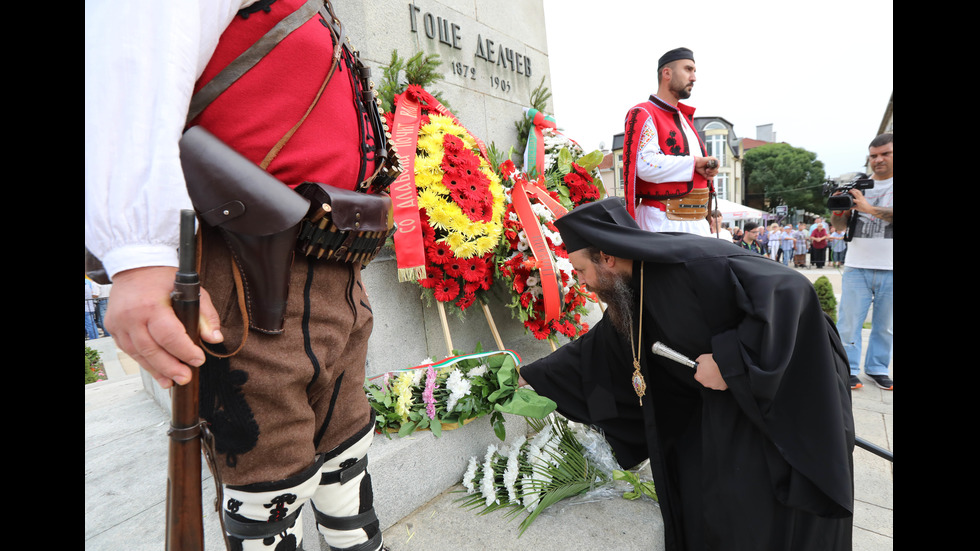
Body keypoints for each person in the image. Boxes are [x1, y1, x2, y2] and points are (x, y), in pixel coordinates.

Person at [85, 2, 394, 549]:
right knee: (269, 480)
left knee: (345, 454)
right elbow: (134, 59)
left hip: (335, 262)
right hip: (247, 270)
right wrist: (138, 252)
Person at [518, 197, 854, 550]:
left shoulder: (695, 262)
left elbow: (791, 291)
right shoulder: (633, 289)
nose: (582, 282)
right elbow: (598, 348)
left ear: (607, 258)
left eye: (582, 270)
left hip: (781, 394)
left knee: (761, 512)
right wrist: (533, 376)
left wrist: (730, 361)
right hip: (725, 405)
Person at [621, 47, 719, 236]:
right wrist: (695, 163)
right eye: (688, 69)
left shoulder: (684, 119)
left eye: (694, 71)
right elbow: (645, 164)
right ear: (667, 73)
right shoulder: (644, 113)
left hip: (697, 223)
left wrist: (707, 168)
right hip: (663, 222)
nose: (694, 77)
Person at [830, 133, 893, 390]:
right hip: (857, 264)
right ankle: (849, 369)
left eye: (885, 154)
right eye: (873, 155)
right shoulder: (858, 185)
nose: (878, 160)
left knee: (886, 326)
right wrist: (838, 210)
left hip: (890, 266)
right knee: (848, 324)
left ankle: (878, 368)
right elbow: (838, 226)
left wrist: (868, 208)